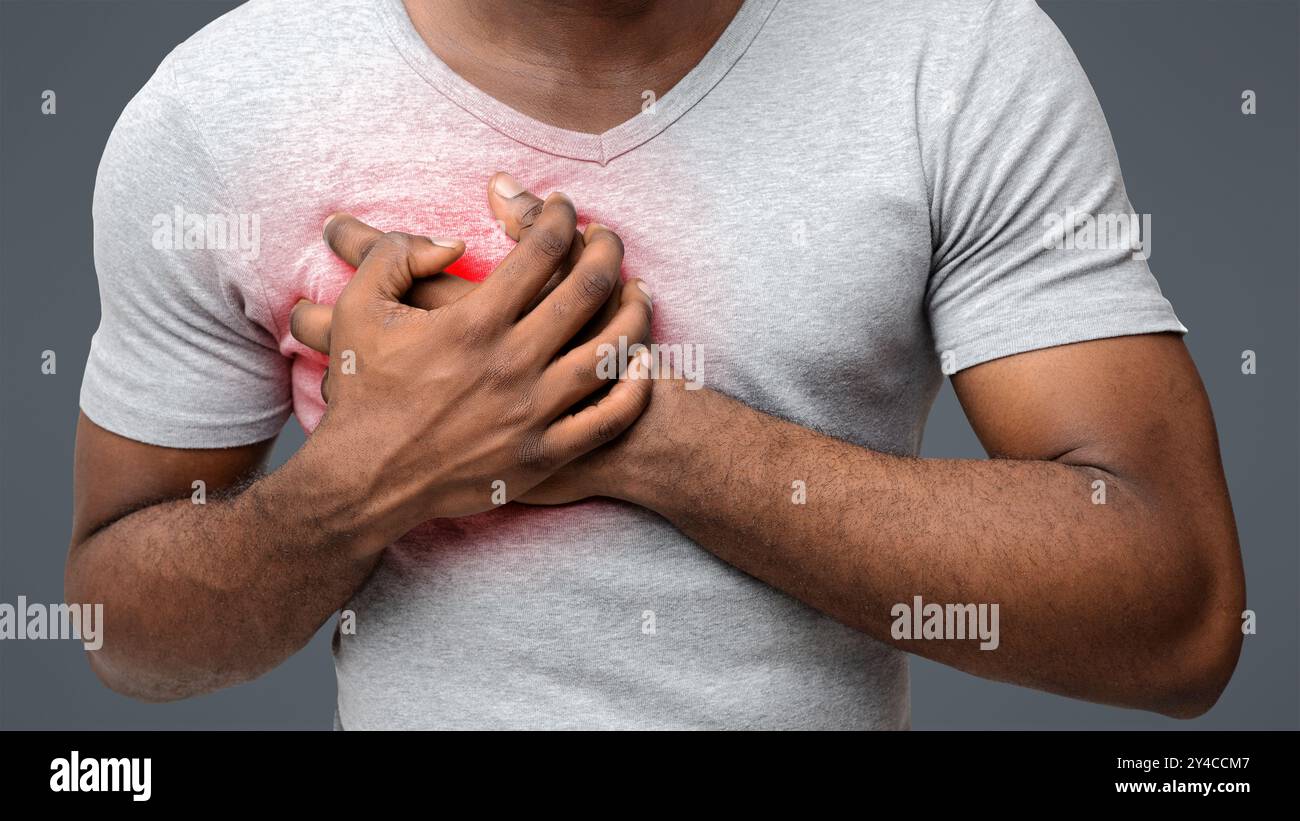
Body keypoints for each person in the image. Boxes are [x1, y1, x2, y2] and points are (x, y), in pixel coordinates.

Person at [68, 0, 1244, 729]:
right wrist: (357, 483)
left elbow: (1179, 620)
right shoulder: (220, 112)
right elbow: (124, 627)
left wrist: (631, 427)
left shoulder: (956, 56)